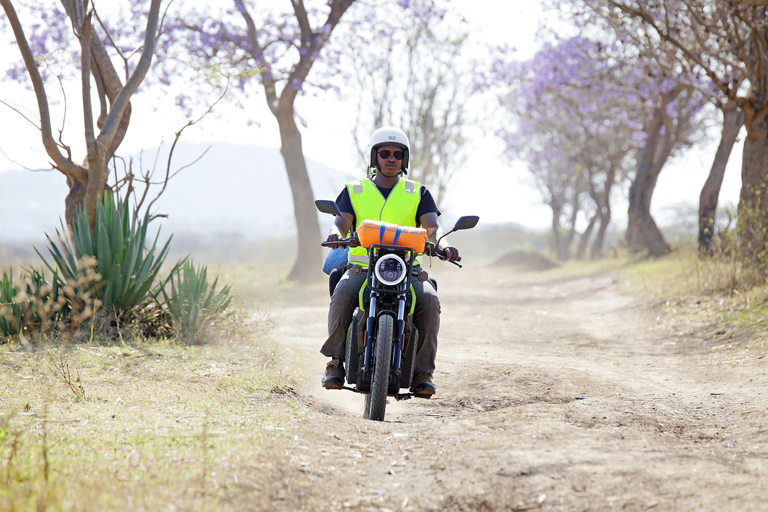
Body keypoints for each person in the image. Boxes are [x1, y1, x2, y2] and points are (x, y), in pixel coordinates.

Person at [320, 126, 460, 396]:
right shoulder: (355, 189)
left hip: (409, 270)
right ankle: (335, 364)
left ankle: (423, 373)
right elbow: (340, 223)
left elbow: (433, 227)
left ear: (404, 160)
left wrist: (445, 244)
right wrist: (335, 235)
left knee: (430, 301)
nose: (391, 158)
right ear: (375, 157)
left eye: (398, 154)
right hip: (363, 267)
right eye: (385, 153)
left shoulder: (417, 192)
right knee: (343, 292)